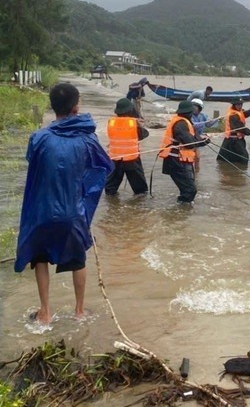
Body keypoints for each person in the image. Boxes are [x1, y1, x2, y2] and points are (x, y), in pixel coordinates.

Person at [14, 83, 114, 324]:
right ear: (76, 106)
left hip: (41, 211)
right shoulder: (88, 139)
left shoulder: (38, 138)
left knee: (40, 258)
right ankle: (79, 311)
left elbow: (33, 159)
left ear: (52, 106)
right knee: (78, 259)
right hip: (72, 212)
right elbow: (103, 168)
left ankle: (45, 312)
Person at [160, 100, 210, 203]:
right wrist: (202, 143)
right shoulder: (180, 124)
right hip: (175, 160)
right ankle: (181, 212)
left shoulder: (185, 122)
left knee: (188, 188)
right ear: (188, 112)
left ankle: (182, 209)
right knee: (190, 190)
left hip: (181, 160)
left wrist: (204, 140)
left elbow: (194, 138)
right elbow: (189, 143)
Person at [105, 98, 149, 196]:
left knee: (110, 189)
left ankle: (112, 205)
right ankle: (139, 207)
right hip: (131, 159)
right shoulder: (133, 122)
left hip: (115, 158)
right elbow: (144, 134)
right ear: (130, 110)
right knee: (140, 190)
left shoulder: (111, 122)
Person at [216, 97, 250, 165]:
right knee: (244, 158)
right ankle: (237, 174)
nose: (240, 106)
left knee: (226, 158)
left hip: (234, 139)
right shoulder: (233, 115)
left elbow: (244, 114)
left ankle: (231, 171)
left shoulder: (238, 111)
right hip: (233, 140)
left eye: (241, 104)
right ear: (234, 105)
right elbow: (241, 128)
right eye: (238, 105)